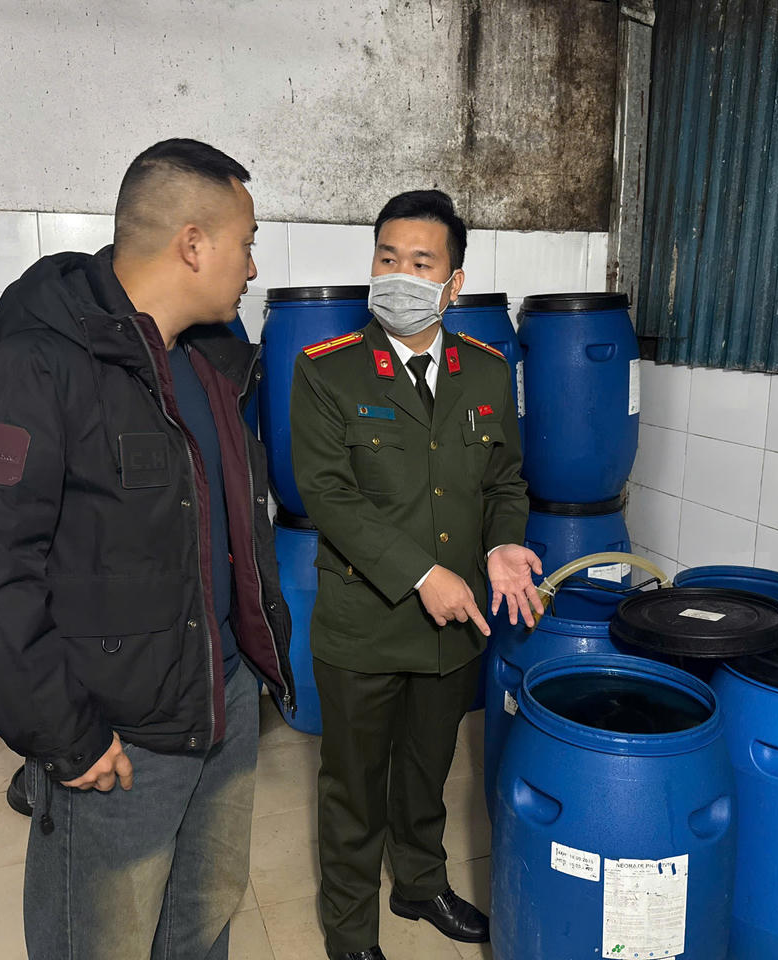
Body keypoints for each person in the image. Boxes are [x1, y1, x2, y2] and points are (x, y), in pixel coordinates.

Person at [0, 138, 294, 960]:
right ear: (193, 243)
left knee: (202, 926)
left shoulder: (214, 366)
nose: (253, 266)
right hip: (120, 743)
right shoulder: (35, 372)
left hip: (223, 710)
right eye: (247, 241)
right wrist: (66, 734)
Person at [289, 189, 544, 960]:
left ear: (454, 283)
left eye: (421, 263)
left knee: (427, 773)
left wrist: (501, 545)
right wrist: (422, 572)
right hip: (364, 627)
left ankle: (421, 884)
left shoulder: (487, 371)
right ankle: (349, 932)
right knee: (353, 789)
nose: (399, 275)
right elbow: (327, 496)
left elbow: (505, 482)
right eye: (387, 258)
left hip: (453, 629)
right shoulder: (327, 371)